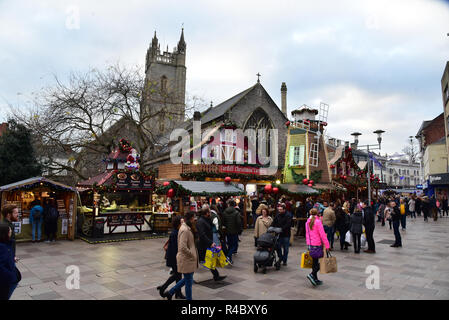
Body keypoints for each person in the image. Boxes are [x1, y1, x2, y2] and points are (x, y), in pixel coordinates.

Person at [162, 212, 198, 300]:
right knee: (188, 282)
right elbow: (182, 247)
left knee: (187, 279)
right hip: (187, 259)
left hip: (189, 259)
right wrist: (192, 254)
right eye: (194, 218)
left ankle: (170, 293)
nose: (195, 220)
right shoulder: (185, 230)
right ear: (191, 218)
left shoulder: (187, 228)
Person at [157, 216, 185, 299]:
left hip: (175, 258)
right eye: (182, 222)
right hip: (174, 258)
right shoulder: (175, 233)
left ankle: (177, 293)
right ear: (178, 224)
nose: (183, 223)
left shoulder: (178, 232)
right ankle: (164, 287)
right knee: (177, 275)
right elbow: (175, 248)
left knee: (178, 276)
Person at [196, 207, 226, 282]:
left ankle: (216, 276)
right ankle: (189, 277)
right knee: (202, 260)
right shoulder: (201, 221)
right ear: (206, 213)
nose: (210, 214)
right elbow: (202, 235)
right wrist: (210, 242)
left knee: (209, 260)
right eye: (209, 212)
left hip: (207, 244)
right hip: (203, 245)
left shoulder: (205, 220)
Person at [305, 208, 330, 286]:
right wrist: (327, 245)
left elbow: (307, 234)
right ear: (318, 214)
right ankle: (312, 274)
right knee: (319, 262)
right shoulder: (318, 222)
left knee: (315, 262)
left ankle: (315, 279)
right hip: (317, 244)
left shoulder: (307, 222)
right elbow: (323, 235)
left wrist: (308, 243)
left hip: (310, 244)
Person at [0, 223, 21, 300]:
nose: (11, 231)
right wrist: (11, 277)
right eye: (9, 231)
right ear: (4, 234)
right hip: (5, 282)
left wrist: (12, 258)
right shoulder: (2, 247)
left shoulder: (6, 244)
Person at [221, 200, 241, 265]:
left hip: (227, 231)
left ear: (229, 204)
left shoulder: (224, 212)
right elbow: (238, 222)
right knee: (234, 245)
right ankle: (228, 256)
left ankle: (229, 259)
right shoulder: (236, 212)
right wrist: (239, 230)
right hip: (234, 231)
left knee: (229, 245)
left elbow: (223, 222)